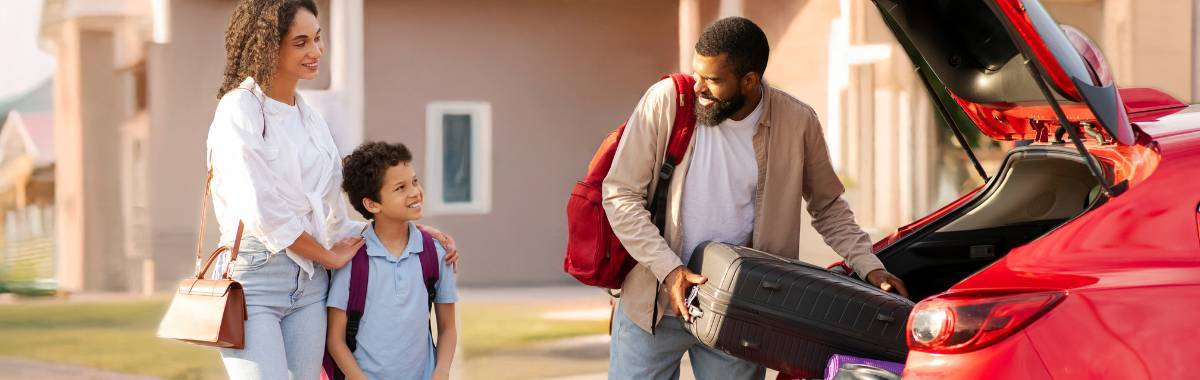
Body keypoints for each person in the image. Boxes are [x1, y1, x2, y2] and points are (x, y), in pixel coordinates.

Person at [603, 17, 908, 379]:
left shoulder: (797, 122)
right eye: (696, 73)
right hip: (652, 305)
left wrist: (868, 264)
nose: (698, 86)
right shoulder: (667, 102)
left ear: (749, 80)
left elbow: (827, 206)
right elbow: (620, 194)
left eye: (713, 80)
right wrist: (669, 270)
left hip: (741, 313)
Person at [206, 1, 457, 378]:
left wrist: (406, 231)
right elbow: (264, 213)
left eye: (318, 39)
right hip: (256, 279)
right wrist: (327, 256)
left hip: (309, 284)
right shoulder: (239, 109)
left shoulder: (310, 118)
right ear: (269, 45)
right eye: (301, 42)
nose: (316, 52)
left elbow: (332, 217)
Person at [327, 142, 458, 380]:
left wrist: (441, 371)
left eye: (415, 181)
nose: (415, 192)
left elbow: (448, 327)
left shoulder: (436, 253)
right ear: (372, 204)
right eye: (400, 188)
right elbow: (335, 340)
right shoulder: (353, 259)